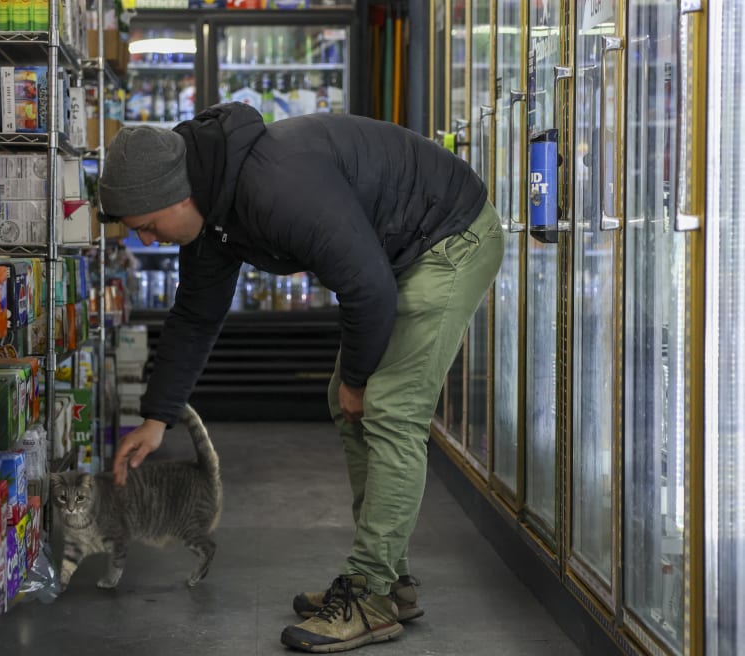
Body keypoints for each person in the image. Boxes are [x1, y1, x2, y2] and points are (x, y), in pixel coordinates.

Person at [98, 102, 503, 653]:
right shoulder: (214, 212)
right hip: (398, 253)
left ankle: (370, 593)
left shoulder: (272, 187)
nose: (146, 241)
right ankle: (389, 582)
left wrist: (358, 379)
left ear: (177, 196)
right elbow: (196, 314)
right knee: (348, 401)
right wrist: (156, 417)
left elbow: (367, 289)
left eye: (146, 226)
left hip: (450, 237)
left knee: (388, 409)